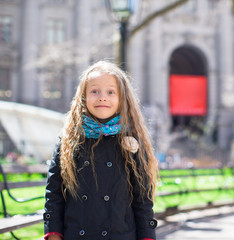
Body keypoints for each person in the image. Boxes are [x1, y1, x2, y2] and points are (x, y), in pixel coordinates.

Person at [43, 61, 158, 240]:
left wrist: (147, 236)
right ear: (83, 97)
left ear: (122, 99)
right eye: (94, 91)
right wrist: (53, 234)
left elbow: (143, 198)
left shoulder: (132, 141)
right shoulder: (69, 140)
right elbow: (54, 193)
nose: (102, 97)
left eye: (111, 92)